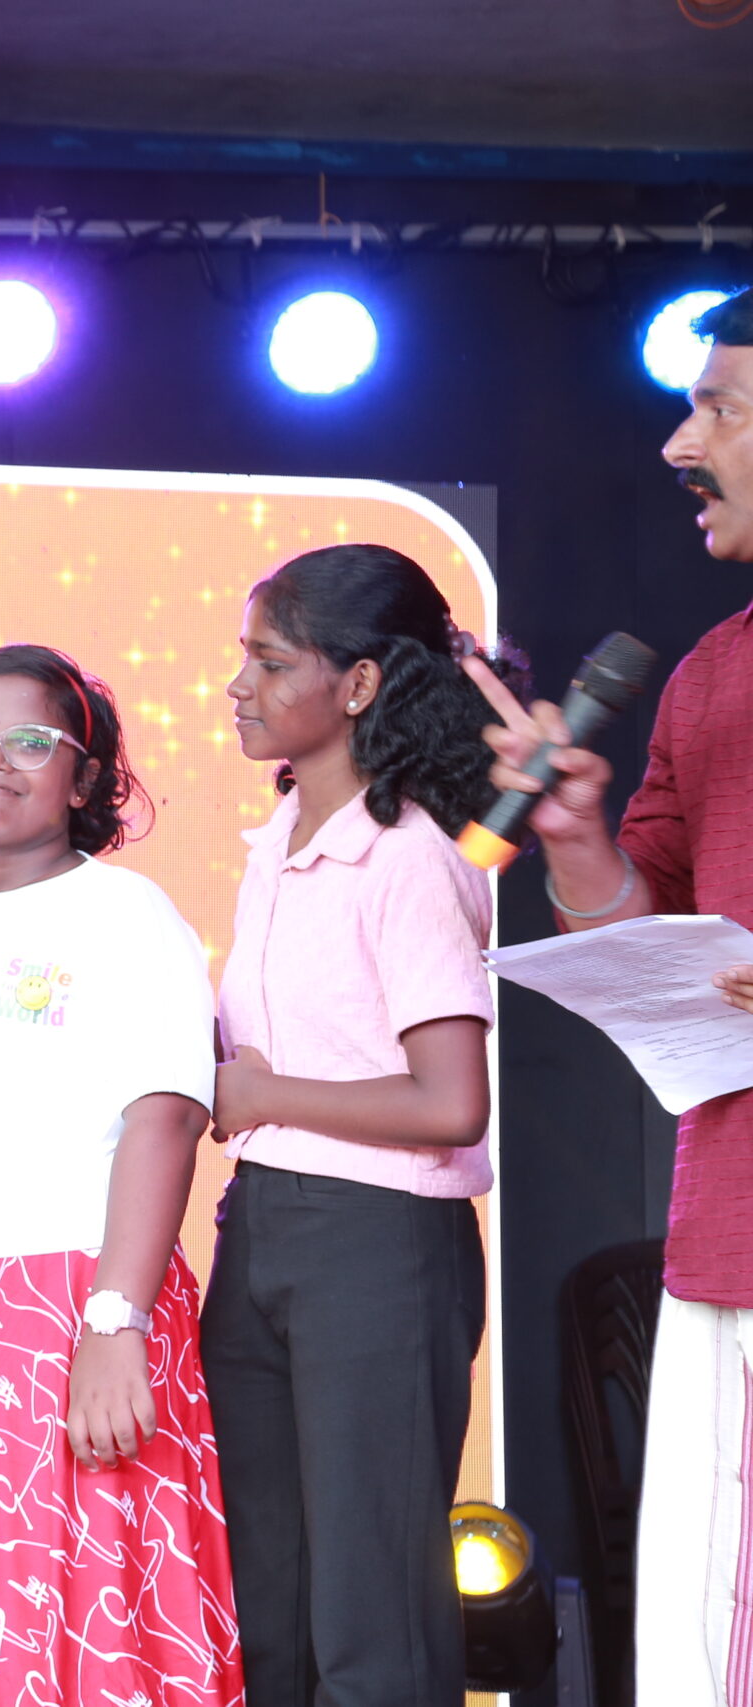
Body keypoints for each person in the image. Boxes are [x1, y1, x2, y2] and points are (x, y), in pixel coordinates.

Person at [0, 644, 242, 1707]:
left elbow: (166, 1115)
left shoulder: (126, 911)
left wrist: (116, 1321)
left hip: (71, 1303)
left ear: (83, 776)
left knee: (87, 1625)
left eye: (30, 741)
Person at [469, 285, 753, 1707]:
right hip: (730, 1233)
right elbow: (655, 924)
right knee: (710, 1639)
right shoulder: (710, 675)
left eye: (718, 409)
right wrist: (576, 835)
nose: (676, 445)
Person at [202, 544, 507, 1707]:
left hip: (377, 1246)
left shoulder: (411, 855)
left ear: (361, 684)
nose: (238, 685)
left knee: (369, 1616)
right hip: (260, 1232)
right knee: (270, 1606)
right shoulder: (276, 844)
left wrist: (262, 1096)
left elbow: (449, 1103)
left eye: (270, 662)